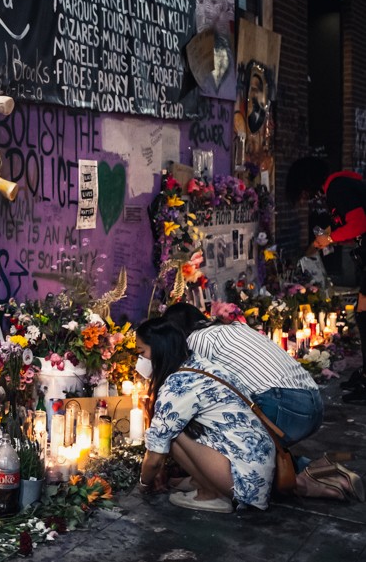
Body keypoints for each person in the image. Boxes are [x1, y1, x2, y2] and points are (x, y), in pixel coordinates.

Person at [162, 302, 364, 502]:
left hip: (282, 403)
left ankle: (307, 485)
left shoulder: (195, 341)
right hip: (312, 402)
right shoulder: (234, 327)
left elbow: (191, 393)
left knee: (238, 460)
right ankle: (325, 470)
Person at [136, 317, 276, 513]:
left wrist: (143, 485)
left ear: (159, 349)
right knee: (177, 426)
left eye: (141, 353)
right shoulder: (200, 364)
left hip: (245, 484)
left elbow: (156, 454)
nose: (140, 361)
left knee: (171, 434)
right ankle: (202, 481)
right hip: (257, 470)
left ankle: (210, 493)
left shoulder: (179, 385)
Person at [286, 157, 366, 404]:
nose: (307, 197)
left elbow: (359, 222)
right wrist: (329, 238)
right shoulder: (341, 183)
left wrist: (330, 239)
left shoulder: (337, 188)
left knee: (364, 314)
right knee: (362, 313)